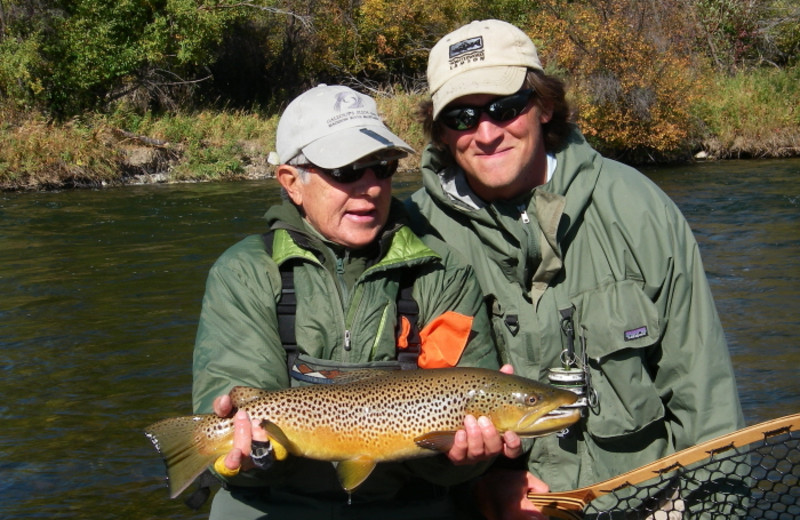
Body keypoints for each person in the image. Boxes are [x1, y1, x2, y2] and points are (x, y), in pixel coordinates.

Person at [404, 19, 745, 518]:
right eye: (460, 116)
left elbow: (703, 393)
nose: (486, 131)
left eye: (504, 106)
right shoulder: (409, 235)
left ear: (543, 105)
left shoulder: (637, 209)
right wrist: (485, 480)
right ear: (439, 130)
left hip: (644, 504)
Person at [191, 84, 515, 520]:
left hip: (407, 504)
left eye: (381, 168)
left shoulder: (442, 272)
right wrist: (253, 459)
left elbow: (454, 445)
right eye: (345, 171)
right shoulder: (246, 273)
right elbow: (233, 412)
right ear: (292, 183)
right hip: (275, 504)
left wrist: (463, 459)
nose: (370, 188)